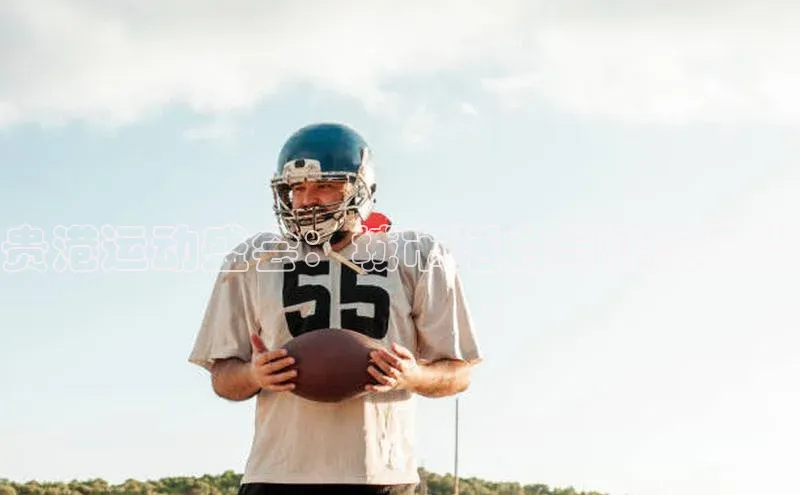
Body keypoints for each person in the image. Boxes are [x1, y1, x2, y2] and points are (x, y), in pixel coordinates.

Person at [188, 122, 482, 495]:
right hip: (277, 475)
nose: (306, 200)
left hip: (382, 475)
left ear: (360, 189)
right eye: (296, 188)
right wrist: (253, 374)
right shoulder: (253, 259)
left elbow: (459, 371)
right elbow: (223, 377)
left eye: (323, 186)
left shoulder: (418, 255)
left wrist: (413, 375)